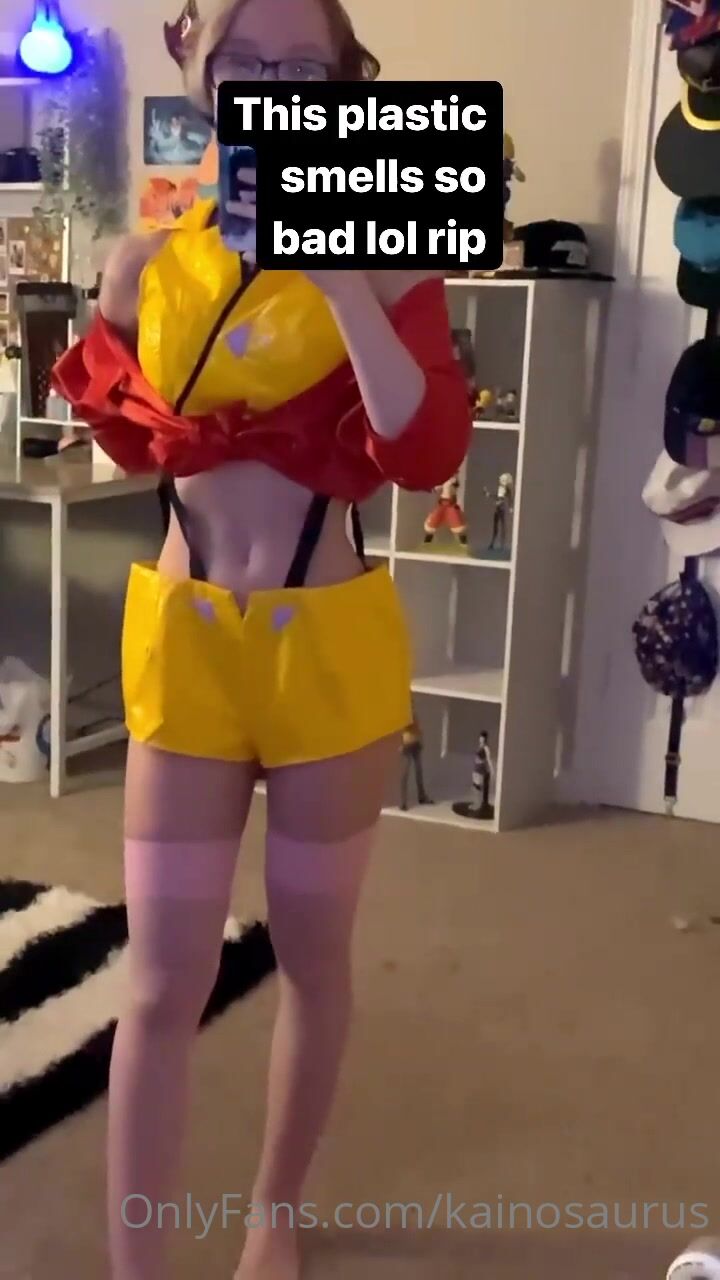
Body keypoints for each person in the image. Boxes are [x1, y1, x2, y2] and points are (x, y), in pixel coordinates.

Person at [52, 1, 472, 1277]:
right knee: (157, 980)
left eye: (304, 66)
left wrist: (334, 265)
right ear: (198, 68)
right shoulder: (141, 266)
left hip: (326, 653)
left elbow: (424, 449)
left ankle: (273, 1211)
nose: (272, 85)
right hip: (188, 641)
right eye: (246, 60)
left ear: (343, 87)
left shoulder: (391, 261)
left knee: (312, 956)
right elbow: (126, 434)